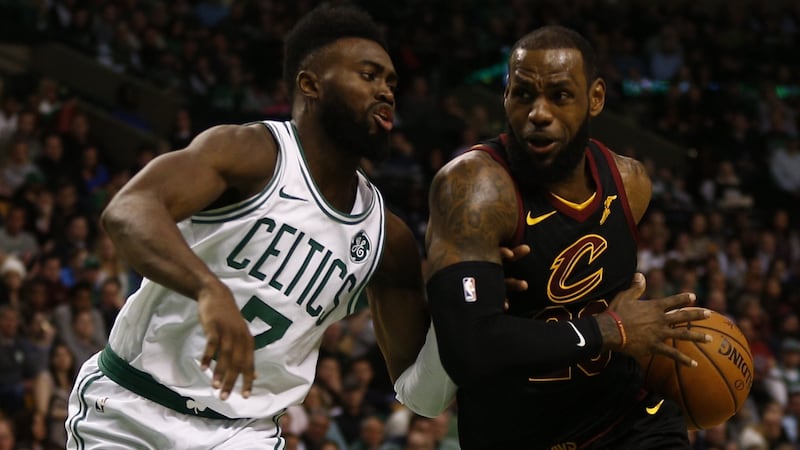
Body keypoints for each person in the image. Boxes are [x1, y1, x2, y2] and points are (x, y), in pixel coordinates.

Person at [64, 6, 434, 449]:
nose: (386, 92)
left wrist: (479, 300)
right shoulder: (252, 153)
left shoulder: (386, 241)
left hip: (246, 434)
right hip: (133, 410)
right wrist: (208, 288)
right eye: (369, 75)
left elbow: (420, 393)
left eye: (391, 82)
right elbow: (127, 209)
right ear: (310, 83)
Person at [416, 26, 712, 448]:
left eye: (559, 96)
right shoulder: (476, 189)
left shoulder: (629, 183)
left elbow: (620, 310)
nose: (538, 112)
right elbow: (468, 351)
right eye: (522, 95)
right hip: (517, 434)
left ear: (595, 99)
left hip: (624, 420)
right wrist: (608, 330)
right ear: (504, 97)